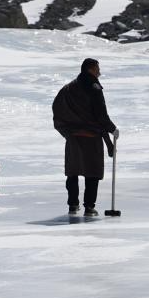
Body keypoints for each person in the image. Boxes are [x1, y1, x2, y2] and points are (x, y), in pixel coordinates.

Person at [52, 58, 119, 216]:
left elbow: (57, 108)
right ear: (90, 69)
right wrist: (112, 129)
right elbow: (101, 115)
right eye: (97, 69)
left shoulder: (68, 88)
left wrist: (67, 131)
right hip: (91, 138)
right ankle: (89, 207)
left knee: (73, 172)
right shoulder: (94, 87)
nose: (99, 72)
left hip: (73, 138)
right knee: (92, 173)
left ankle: (73, 205)